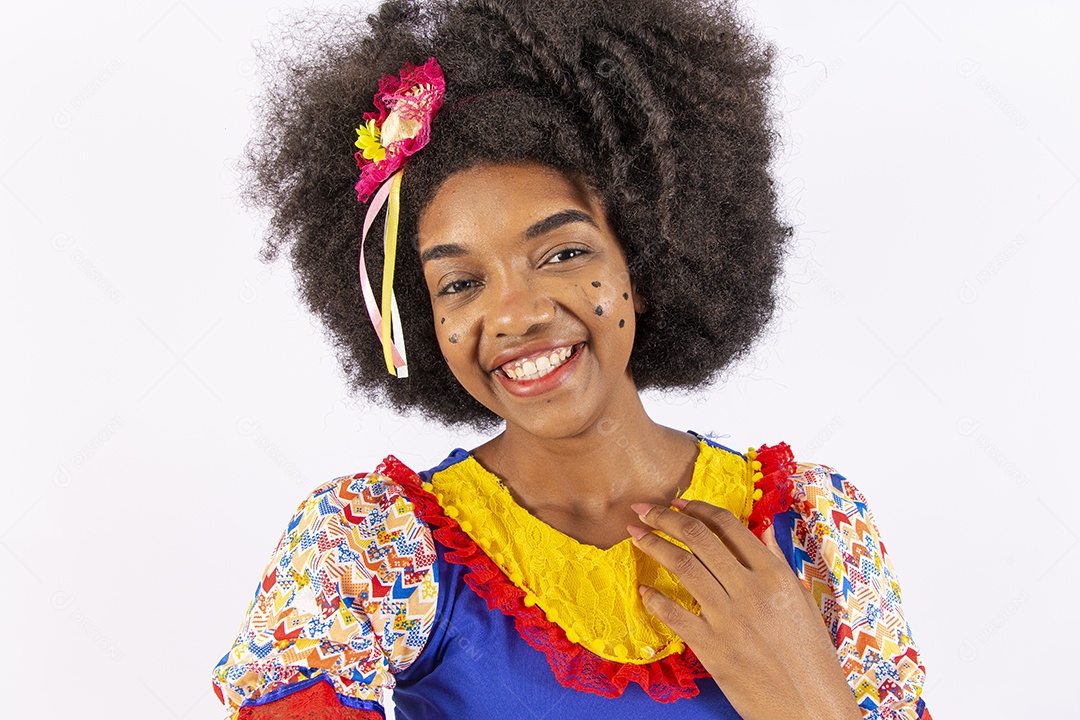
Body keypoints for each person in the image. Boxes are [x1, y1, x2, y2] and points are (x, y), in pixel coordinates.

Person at [211, 0, 931, 718]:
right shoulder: (372, 549)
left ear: (645, 266)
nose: (516, 314)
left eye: (562, 253)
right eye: (460, 283)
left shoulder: (815, 531)